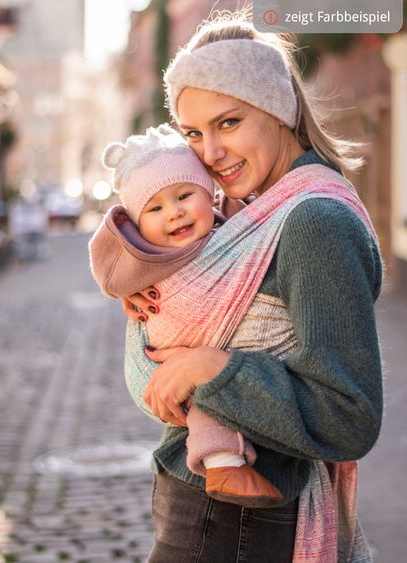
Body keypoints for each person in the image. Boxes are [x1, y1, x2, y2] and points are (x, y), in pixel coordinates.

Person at [120, 13, 383, 563]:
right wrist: (147, 286)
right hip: (210, 506)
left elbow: (349, 416)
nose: (209, 152)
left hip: (238, 521)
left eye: (229, 122)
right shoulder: (244, 213)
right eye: (193, 132)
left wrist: (212, 368)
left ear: (277, 108)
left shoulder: (313, 220)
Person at [89, 123, 285, 508]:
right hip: (160, 366)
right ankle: (224, 464)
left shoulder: (235, 229)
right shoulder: (150, 257)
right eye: (155, 208)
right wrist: (130, 288)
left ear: (209, 194)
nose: (174, 213)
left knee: (211, 383)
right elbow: (115, 270)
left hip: (207, 356)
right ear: (138, 225)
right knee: (206, 398)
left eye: (184, 195)